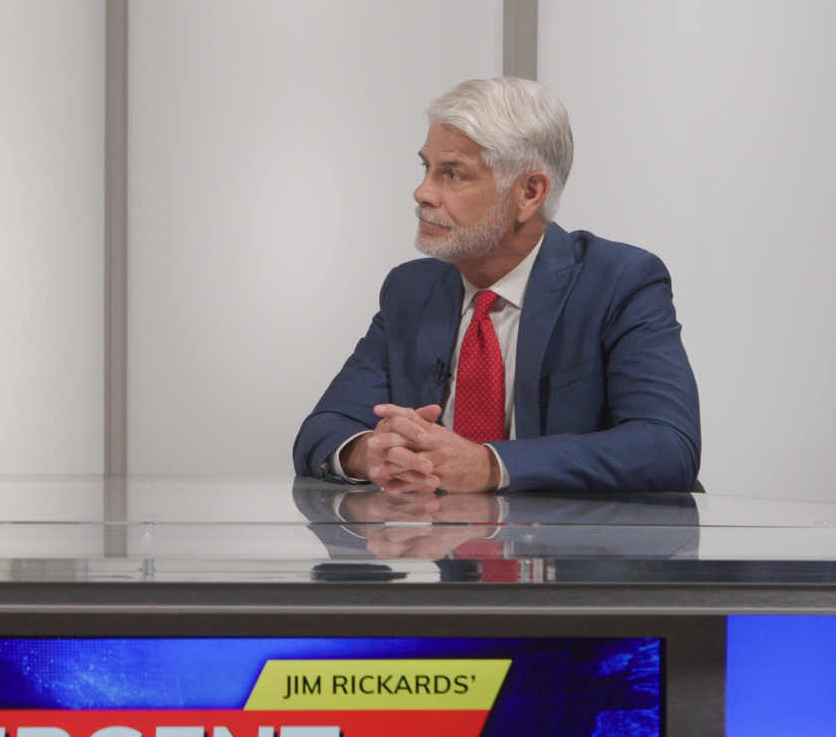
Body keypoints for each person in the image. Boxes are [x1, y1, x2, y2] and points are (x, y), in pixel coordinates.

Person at [293, 78, 700, 494]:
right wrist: (371, 453)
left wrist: (490, 465)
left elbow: (668, 446)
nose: (422, 192)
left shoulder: (618, 281)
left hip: (570, 552)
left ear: (529, 192)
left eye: (452, 174)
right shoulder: (410, 290)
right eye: (426, 168)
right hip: (436, 546)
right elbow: (323, 430)